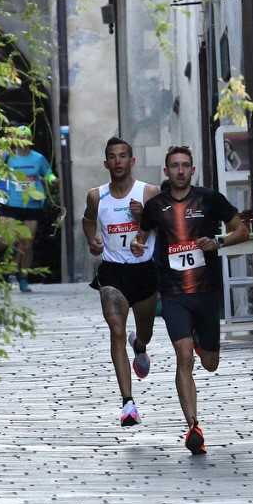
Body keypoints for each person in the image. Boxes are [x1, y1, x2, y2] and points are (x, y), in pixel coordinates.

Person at [131, 145, 249, 454]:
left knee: (209, 363)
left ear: (192, 170)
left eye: (185, 165)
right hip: (173, 294)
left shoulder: (210, 199)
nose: (180, 170)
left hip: (206, 293)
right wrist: (137, 244)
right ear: (167, 171)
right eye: (175, 166)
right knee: (183, 357)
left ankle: (199, 341)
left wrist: (219, 241)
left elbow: (242, 230)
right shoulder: (156, 206)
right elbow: (142, 236)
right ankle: (193, 427)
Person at [82, 137, 160, 427]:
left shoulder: (149, 192)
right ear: (106, 163)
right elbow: (88, 220)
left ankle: (139, 344)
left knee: (145, 332)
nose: (118, 161)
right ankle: (128, 403)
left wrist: (145, 220)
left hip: (144, 271)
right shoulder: (96, 196)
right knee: (116, 330)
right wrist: (92, 239)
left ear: (132, 161)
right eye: (112, 157)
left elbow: (165, 225)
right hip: (112, 272)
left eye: (123, 156)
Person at [0, 141, 54, 292]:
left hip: (31, 204)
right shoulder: (6, 155)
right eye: (19, 138)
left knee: (27, 242)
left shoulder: (38, 158)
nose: (22, 142)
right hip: (10, 202)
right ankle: (8, 268)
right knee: (3, 241)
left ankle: (22, 276)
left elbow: (48, 173)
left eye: (25, 137)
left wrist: (53, 180)